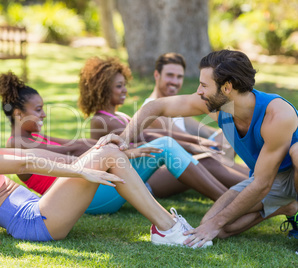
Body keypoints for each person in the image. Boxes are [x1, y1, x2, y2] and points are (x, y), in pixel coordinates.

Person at [0, 80, 213, 247]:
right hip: (34, 222)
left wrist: (88, 160)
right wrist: (80, 169)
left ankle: (166, 226)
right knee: (106, 154)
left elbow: (31, 157)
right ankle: (168, 228)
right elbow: (23, 164)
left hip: (39, 212)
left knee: (108, 150)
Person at [95, 49, 298, 248]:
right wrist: (123, 139)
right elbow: (157, 106)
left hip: (288, 172)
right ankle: (287, 206)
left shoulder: (277, 115)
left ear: (227, 87)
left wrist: (214, 224)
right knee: (217, 227)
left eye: (203, 85)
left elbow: (262, 184)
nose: (199, 91)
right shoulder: (220, 107)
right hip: (272, 177)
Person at [0, 71, 170, 214]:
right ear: (18, 114)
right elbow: (72, 149)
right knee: (166, 147)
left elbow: (78, 142)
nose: (44, 115)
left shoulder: (32, 138)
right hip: (86, 200)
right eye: (38, 110)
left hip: (89, 192)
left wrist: (117, 148)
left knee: (165, 146)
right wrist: (123, 151)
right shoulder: (18, 144)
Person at [78, 56, 246, 199]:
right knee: (206, 160)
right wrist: (192, 145)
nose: (125, 91)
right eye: (119, 86)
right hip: (143, 178)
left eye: (124, 85)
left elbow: (157, 134)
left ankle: (252, 184)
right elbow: (149, 137)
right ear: (104, 89)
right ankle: (245, 195)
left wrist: (196, 141)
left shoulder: (121, 116)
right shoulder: (101, 120)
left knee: (210, 156)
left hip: (151, 168)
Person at [144, 52, 247, 168]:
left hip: (194, 156)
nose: (174, 81)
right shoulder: (153, 110)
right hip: (182, 163)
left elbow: (205, 131)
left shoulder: (175, 108)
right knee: (234, 131)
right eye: (170, 75)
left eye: (179, 77)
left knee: (235, 127)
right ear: (157, 75)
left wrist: (228, 126)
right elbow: (188, 140)